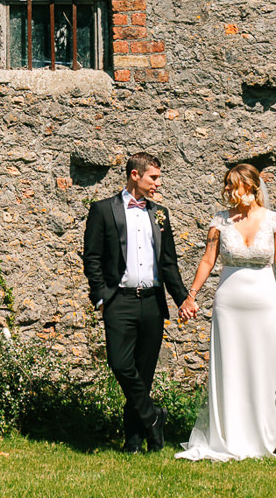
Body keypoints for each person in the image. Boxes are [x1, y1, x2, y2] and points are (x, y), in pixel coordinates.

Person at [174, 161, 276, 461]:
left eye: (233, 184)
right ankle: (227, 436)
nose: (227, 190)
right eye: (227, 184)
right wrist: (191, 296)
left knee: (264, 367)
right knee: (229, 367)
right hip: (229, 304)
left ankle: (260, 438)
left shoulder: (273, 220)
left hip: (264, 304)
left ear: (250, 186)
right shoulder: (220, 220)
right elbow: (208, 260)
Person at [81, 150, 190, 453]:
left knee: (143, 373)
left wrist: (182, 299)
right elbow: (92, 258)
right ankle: (154, 416)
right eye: (153, 177)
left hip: (153, 303)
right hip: (120, 302)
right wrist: (102, 297)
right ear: (135, 175)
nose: (158, 183)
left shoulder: (160, 213)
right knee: (119, 363)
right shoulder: (103, 210)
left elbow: (169, 263)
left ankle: (136, 439)